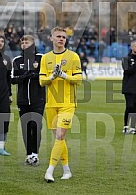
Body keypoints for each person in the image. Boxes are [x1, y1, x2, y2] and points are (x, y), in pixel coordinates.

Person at [39, 26, 82, 182]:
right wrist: (51, 77)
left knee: (60, 135)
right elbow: (41, 81)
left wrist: (63, 75)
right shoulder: (45, 58)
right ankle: (67, 170)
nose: (61, 39)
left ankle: (49, 171)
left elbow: (78, 79)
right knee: (60, 139)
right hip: (51, 103)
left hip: (68, 103)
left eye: (63, 37)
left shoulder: (73, 56)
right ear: (51, 38)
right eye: (58, 36)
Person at [11, 35, 45, 166]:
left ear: (33, 44)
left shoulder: (41, 58)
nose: (24, 44)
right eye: (23, 42)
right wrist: (23, 77)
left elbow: (46, 76)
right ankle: (29, 154)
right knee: (26, 127)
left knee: (35, 125)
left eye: (27, 42)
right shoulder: (17, 60)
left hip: (38, 98)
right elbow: (12, 79)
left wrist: (35, 76)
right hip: (23, 100)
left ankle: (35, 154)